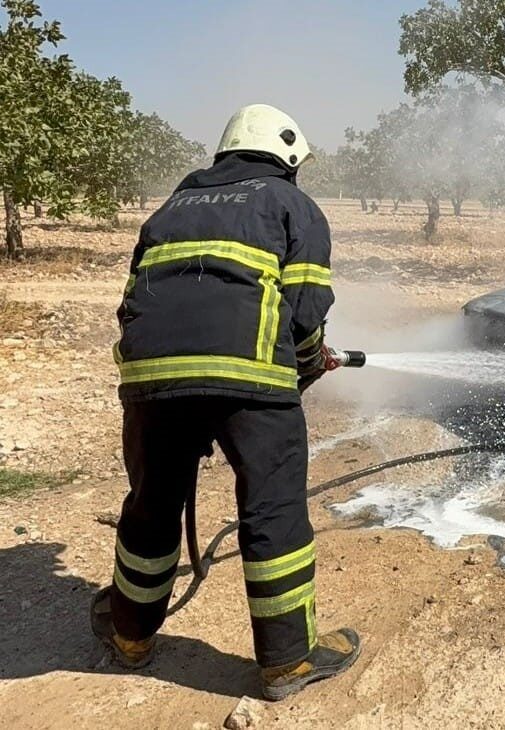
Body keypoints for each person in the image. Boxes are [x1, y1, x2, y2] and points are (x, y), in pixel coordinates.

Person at [90, 104, 360, 701]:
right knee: (272, 510)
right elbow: (306, 308)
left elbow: (136, 298)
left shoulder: (169, 208)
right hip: (251, 382)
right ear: (286, 156)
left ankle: (130, 635)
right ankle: (288, 662)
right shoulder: (294, 206)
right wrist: (313, 360)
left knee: (153, 502)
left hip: (152, 380)